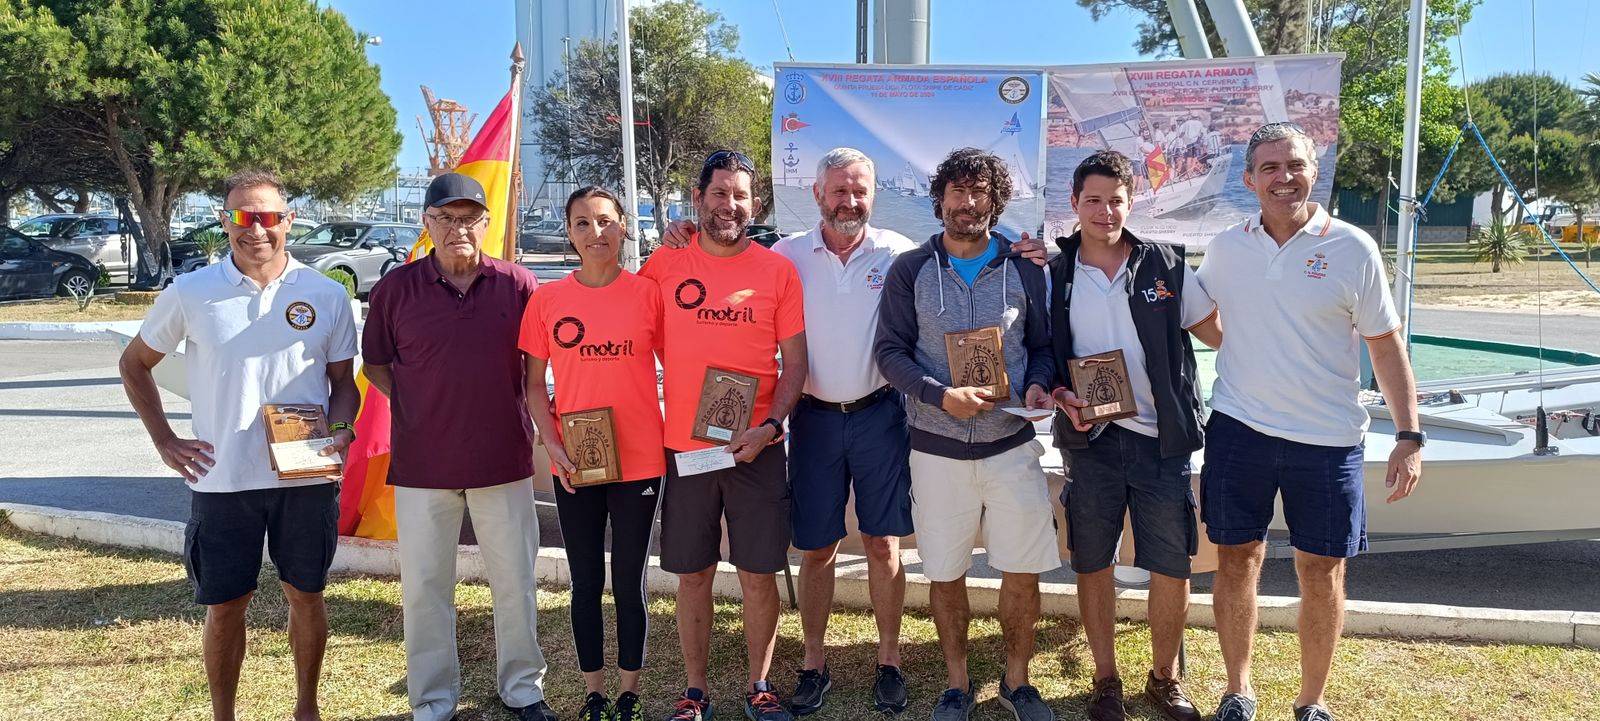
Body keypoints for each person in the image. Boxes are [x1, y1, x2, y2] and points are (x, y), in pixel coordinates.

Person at [658, 148, 1051, 717]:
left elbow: (945, 298)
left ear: (874, 195)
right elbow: (726, 260)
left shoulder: (899, 255)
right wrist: (682, 233)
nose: (849, 201)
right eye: (838, 191)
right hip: (813, 419)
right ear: (817, 195)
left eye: (859, 191)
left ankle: (888, 661)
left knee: (882, 544)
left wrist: (1037, 250)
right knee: (816, 548)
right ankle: (813, 663)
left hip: (881, 416)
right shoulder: (784, 256)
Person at [1196, 122, 1423, 721]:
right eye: (1268, 168)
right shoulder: (1226, 247)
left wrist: (1409, 434)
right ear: (1249, 180)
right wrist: (1239, 346)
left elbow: (1385, 345)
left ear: (1313, 172)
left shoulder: (1353, 248)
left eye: (1294, 165)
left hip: (1328, 440)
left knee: (1321, 571)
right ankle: (1238, 690)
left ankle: (1311, 701)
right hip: (1238, 430)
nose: (1282, 177)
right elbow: (1197, 313)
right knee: (1236, 559)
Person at [120, 169, 358, 721]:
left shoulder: (325, 294)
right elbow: (134, 363)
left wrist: (340, 434)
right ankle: (223, 714)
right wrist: (164, 439)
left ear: (289, 220)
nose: (256, 230)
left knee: (306, 596)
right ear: (226, 221)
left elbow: (345, 385)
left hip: (304, 478)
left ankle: (307, 708)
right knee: (226, 608)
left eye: (268, 217)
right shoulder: (193, 292)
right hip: (223, 479)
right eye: (242, 218)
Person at [874, 147, 1058, 721]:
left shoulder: (1026, 266)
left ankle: (1016, 681)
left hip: (1011, 445)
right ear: (940, 199)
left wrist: (1038, 387)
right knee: (945, 571)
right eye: (958, 191)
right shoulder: (911, 270)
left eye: (980, 192)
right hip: (936, 449)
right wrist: (937, 395)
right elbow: (889, 353)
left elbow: (1046, 348)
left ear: (995, 201)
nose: (968, 202)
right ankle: (957, 683)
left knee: (1021, 569)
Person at [362, 172, 555, 721]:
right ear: (426, 224)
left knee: (515, 582)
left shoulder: (519, 285)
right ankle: (432, 700)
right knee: (424, 587)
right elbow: (377, 365)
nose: (458, 228)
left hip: (503, 459)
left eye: (469, 218)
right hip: (424, 463)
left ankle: (521, 688)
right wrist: (422, 401)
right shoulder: (395, 289)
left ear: (486, 224)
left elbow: (536, 369)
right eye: (446, 218)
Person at [1047, 151, 1221, 721]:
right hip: (1090, 440)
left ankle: (1165, 678)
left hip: (1160, 439)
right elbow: (1041, 354)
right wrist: (1058, 394)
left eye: (1115, 200)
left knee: (1171, 565)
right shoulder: (1053, 272)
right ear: (1074, 205)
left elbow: (1217, 333)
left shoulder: (1166, 265)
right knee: (1092, 562)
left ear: (1131, 202)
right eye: (1092, 200)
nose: (1104, 211)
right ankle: (1105, 679)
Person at [640, 149, 808, 721]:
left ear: (754, 204)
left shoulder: (776, 272)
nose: (729, 205)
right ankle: (695, 692)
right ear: (699, 199)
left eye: (740, 195)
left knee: (759, 572)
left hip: (756, 448)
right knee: (693, 573)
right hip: (688, 450)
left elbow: (796, 365)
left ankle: (759, 686)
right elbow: (630, 334)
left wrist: (769, 427)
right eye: (719, 194)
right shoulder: (664, 266)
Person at [519, 186, 665, 721]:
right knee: (585, 582)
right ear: (570, 232)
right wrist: (553, 445)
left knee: (628, 580)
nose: (595, 233)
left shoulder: (649, 294)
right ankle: (594, 693)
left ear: (624, 226)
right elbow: (534, 385)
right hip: (574, 463)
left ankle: (629, 691)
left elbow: (688, 360)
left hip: (640, 461)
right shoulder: (548, 299)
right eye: (582, 223)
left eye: (605, 221)